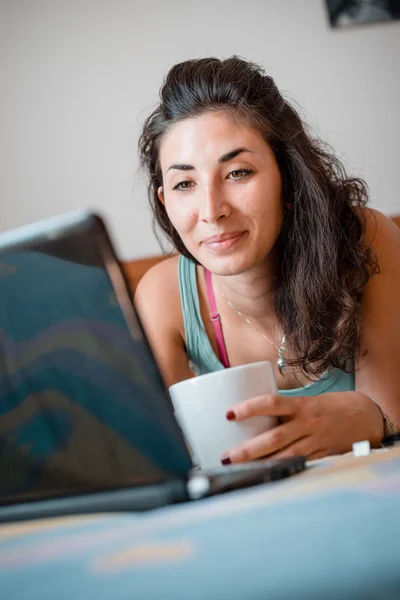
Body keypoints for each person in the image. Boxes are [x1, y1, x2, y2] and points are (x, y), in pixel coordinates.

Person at [135, 56, 400, 465]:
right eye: (185, 183)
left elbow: (391, 419)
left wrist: (371, 418)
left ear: (288, 178)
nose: (211, 209)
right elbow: (158, 462)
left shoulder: (366, 239)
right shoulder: (163, 294)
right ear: (165, 201)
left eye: (238, 172)